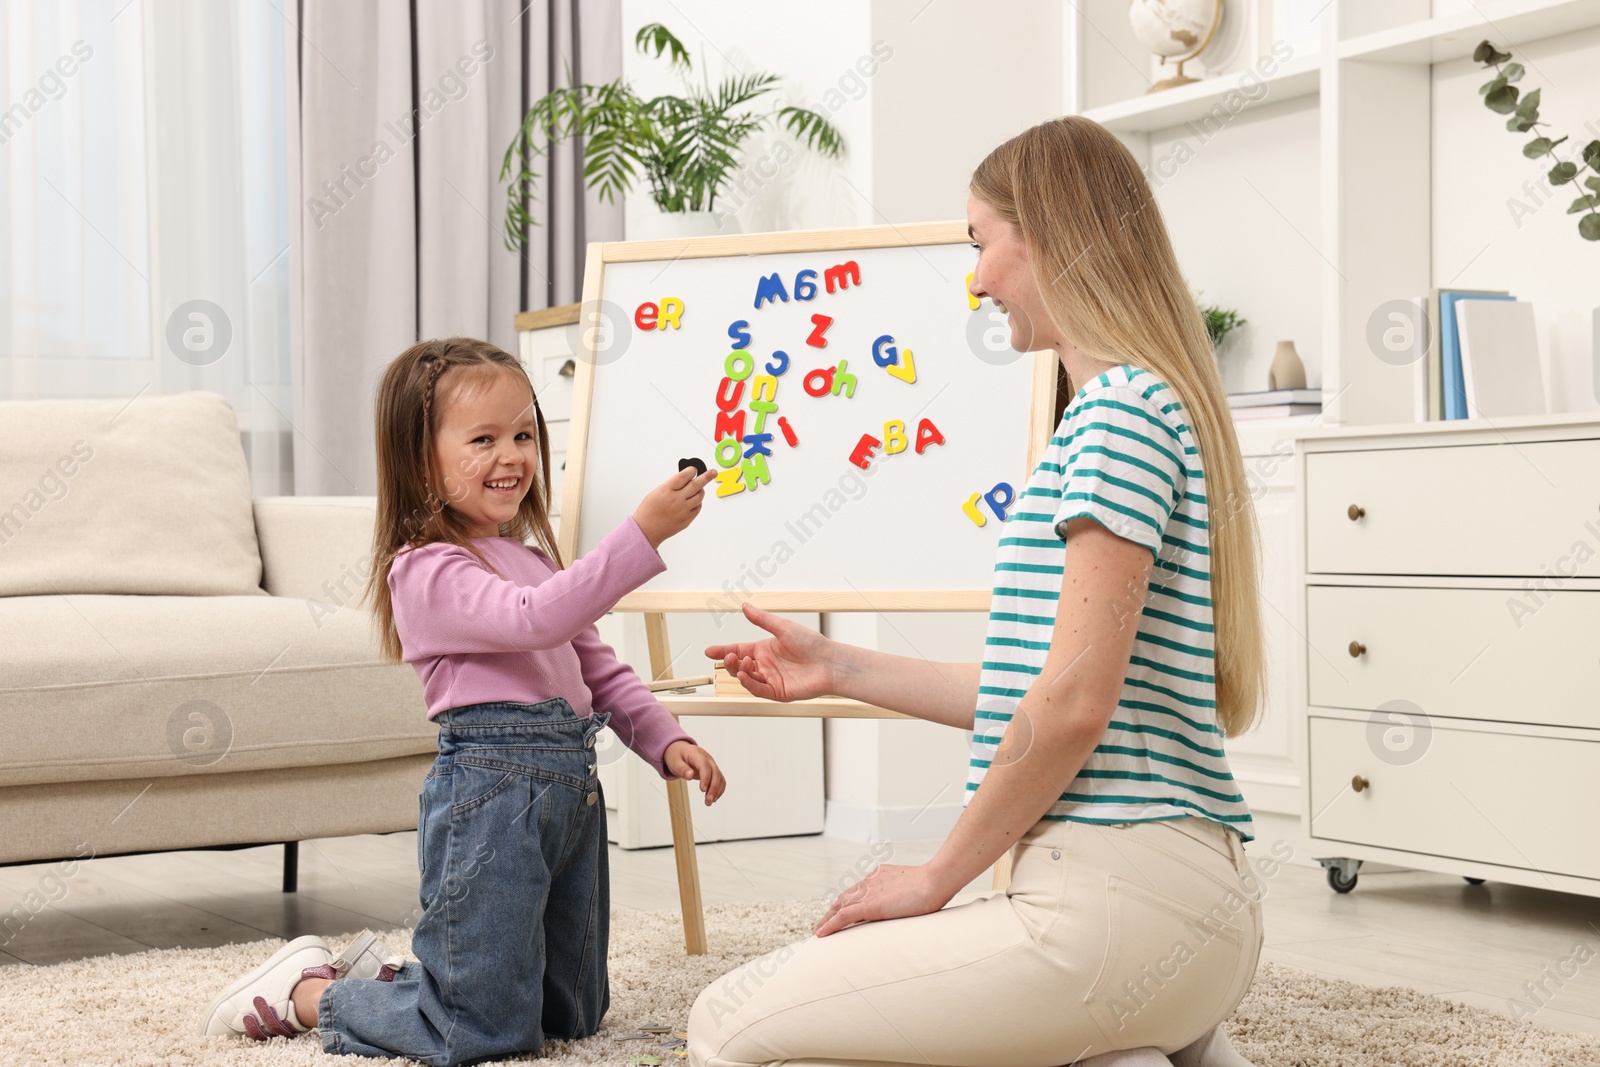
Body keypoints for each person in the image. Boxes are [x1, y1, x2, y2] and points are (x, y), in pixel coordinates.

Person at [689, 115, 1268, 1067]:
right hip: (1186, 916)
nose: (975, 278)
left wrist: (936, 877)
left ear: (1042, 237)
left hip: (1110, 907)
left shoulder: (1118, 413)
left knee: (729, 1021)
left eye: (979, 243)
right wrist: (836, 664)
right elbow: (1039, 686)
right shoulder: (1145, 405)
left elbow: (1071, 705)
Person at [199, 337, 726, 1066]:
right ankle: (309, 995)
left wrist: (664, 738)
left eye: (522, 434)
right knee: (481, 1031)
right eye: (483, 439)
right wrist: (639, 537)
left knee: (572, 1014)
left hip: (570, 796)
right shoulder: (425, 569)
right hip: (492, 800)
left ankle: (404, 977)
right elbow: (533, 618)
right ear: (422, 461)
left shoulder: (536, 561)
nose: (511, 455)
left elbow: (599, 669)